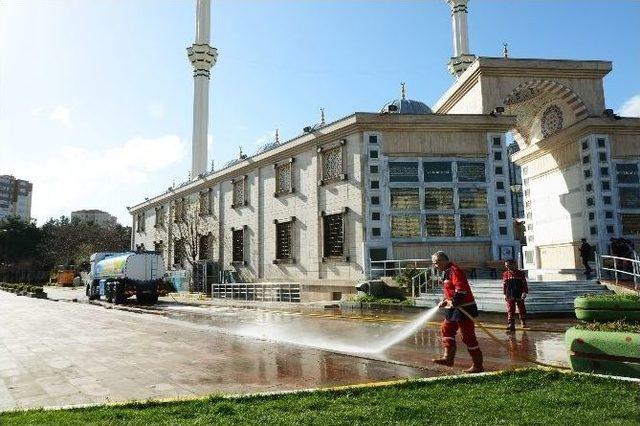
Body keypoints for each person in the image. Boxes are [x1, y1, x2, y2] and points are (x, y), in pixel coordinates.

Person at [431, 251, 483, 373]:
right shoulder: (446, 272)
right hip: (453, 308)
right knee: (446, 329)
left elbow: (461, 290)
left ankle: (478, 365)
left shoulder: (455, 270)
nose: (435, 266)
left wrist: (452, 302)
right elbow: (450, 291)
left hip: (464, 308)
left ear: (443, 260)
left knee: (467, 336)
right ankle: (448, 358)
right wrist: (445, 301)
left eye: (436, 263)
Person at [502, 259, 528, 331]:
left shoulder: (520, 273)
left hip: (519, 293)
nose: (507, 267)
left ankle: (523, 322)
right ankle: (511, 324)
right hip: (509, 294)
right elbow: (504, 285)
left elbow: (524, 284)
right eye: (506, 266)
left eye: (508, 265)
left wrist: (524, 292)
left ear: (513, 265)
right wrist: (504, 294)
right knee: (510, 309)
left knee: (521, 308)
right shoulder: (505, 274)